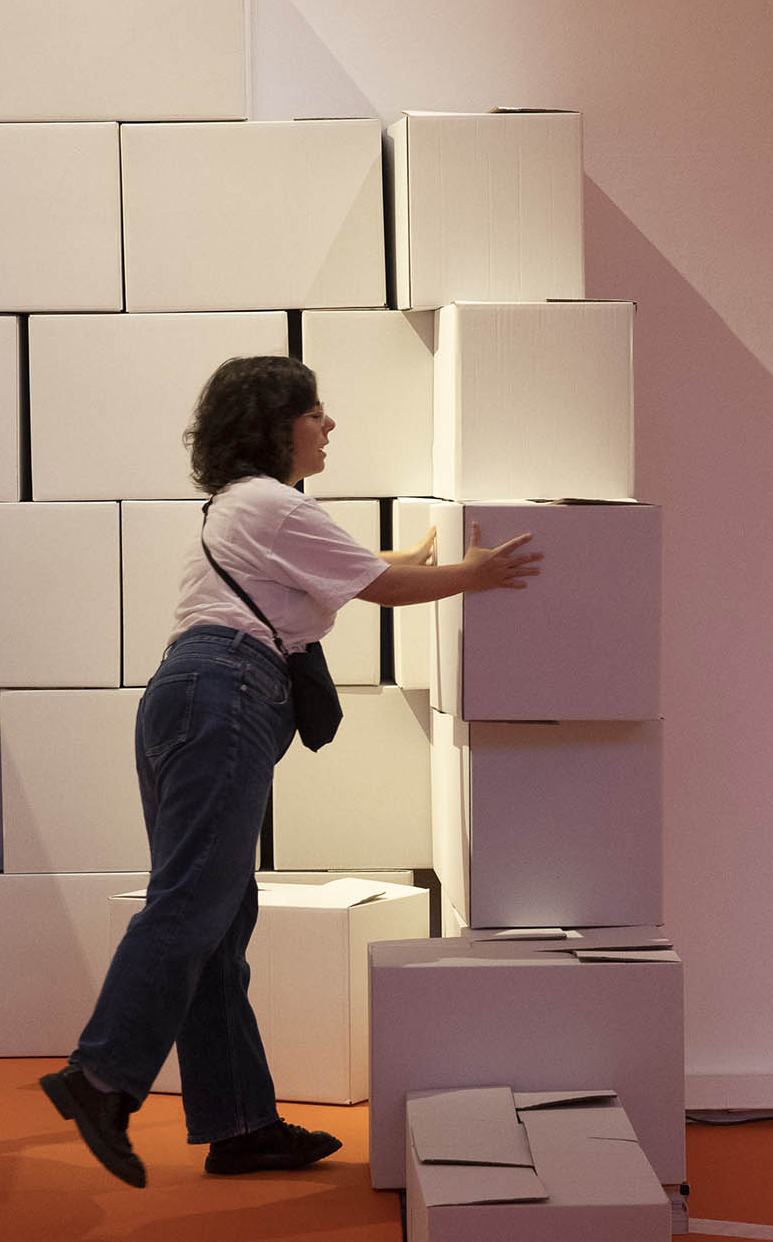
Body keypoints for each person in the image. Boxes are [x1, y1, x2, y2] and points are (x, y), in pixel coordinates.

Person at [42, 355, 542, 1188]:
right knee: (194, 902)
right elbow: (380, 587)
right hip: (225, 693)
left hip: (197, 694)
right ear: (274, 426)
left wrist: (416, 559)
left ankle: (241, 1126)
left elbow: (348, 568)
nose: (327, 424)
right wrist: (476, 576)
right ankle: (100, 1077)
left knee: (214, 916)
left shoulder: (248, 507)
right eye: (313, 411)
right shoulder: (271, 503)